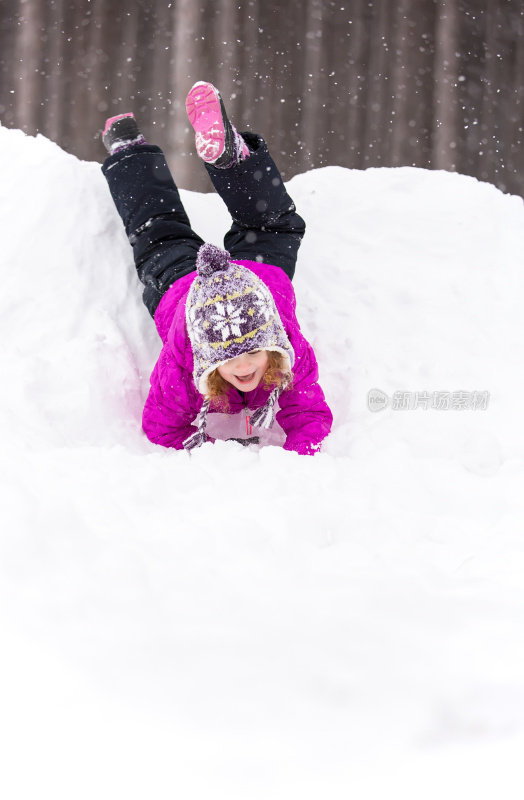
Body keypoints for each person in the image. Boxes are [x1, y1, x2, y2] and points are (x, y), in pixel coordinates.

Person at [100, 81, 332, 455]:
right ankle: (223, 160)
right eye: (227, 356)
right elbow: (162, 425)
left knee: (164, 231)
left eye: (254, 352)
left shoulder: (288, 353)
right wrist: (208, 452)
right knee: (265, 225)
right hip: (182, 287)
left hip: (235, 280)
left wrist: (303, 458)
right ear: (207, 357)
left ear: (272, 343)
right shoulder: (183, 367)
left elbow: (310, 414)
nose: (243, 367)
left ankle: (152, 152)